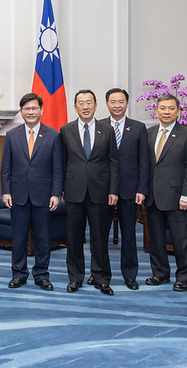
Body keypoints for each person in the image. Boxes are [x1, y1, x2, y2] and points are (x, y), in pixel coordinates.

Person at [1, 93, 63, 291]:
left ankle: (41, 275)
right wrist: (6, 191)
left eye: (34, 108)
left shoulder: (53, 135)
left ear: (41, 110)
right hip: (17, 195)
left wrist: (55, 193)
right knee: (18, 238)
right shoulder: (12, 135)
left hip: (43, 196)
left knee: (43, 238)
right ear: (21, 111)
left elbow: (57, 168)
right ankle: (18, 274)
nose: (30, 112)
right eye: (26, 108)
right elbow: (6, 168)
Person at [61, 90, 119, 296]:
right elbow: (62, 162)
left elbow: (113, 161)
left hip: (100, 192)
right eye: (81, 103)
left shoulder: (107, 130)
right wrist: (59, 189)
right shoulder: (66, 130)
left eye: (89, 103)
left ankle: (102, 278)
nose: (85, 107)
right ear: (75, 107)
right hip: (74, 192)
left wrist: (113, 190)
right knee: (74, 238)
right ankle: (75, 278)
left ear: (95, 106)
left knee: (100, 238)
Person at [144, 94, 187, 292]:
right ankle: (160, 273)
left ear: (178, 111)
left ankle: (183, 277)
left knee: (182, 240)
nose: (166, 112)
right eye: (163, 108)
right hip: (153, 197)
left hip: (178, 198)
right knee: (155, 239)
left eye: (171, 108)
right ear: (156, 110)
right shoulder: (148, 133)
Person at [102, 88, 149, 290]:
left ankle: (130, 275)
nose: (117, 105)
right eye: (113, 101)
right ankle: (99, 273)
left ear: (127, 103)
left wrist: (142, 188)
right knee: (99, 235)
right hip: (103, 191)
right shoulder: (99, 126)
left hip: (130, 189)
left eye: (121, 101)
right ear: (106, 104)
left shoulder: (138, 127)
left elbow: (144, 162)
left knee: (129, 234)